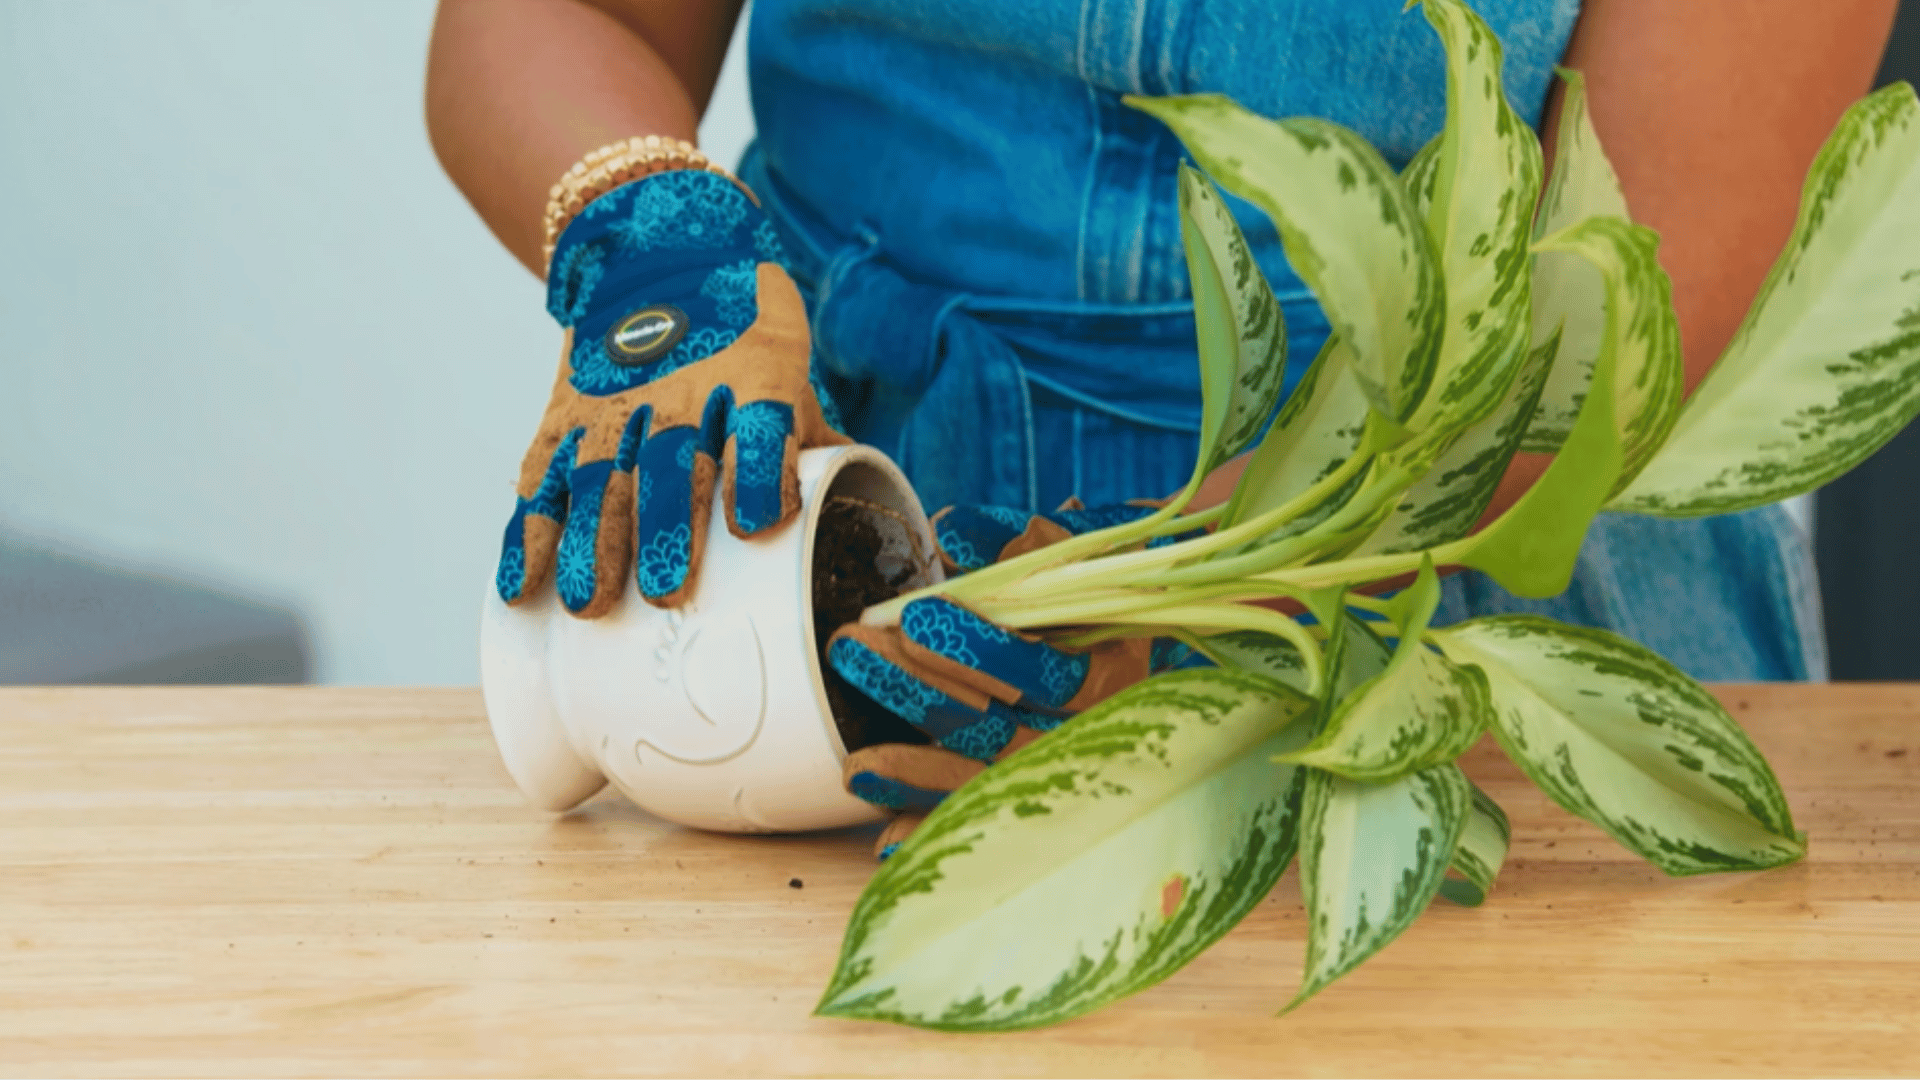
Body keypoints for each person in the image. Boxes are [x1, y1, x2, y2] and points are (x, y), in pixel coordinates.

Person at [427, 0, 1896, 850]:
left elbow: (1665, 238)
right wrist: (661, 254)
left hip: (1475, 615)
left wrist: (1199, 583)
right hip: (844, 557)